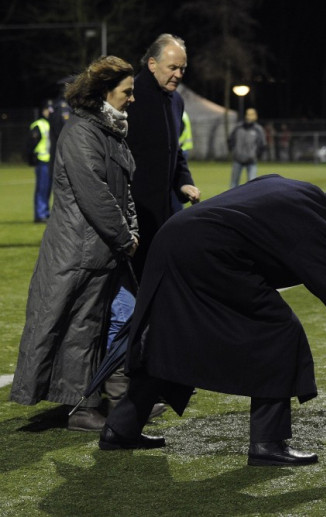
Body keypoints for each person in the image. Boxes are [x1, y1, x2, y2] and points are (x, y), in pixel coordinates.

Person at [97, 175, 326, 464]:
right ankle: (267, 443)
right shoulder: (318, 226)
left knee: (171, 337)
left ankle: (121, 428)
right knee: (280, 331)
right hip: (204, 254)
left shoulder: (304, 193)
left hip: (176, 240)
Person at [11, 55, 138, 432]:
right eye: (127, 92)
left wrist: (131, 231)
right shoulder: (83, 132)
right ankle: (81, 408)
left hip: (100, 248)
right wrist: (125, 236)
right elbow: (96, 195)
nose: (132, 99)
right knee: (78, 329)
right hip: (79, 249)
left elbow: (124, 190)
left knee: (103, 324)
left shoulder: (108, 131)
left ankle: (112, 398)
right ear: (104, 92)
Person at [126, 33, 200, 282]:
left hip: (166, 208)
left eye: (182, 68)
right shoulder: (129, 98)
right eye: (173, 67)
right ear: (152, 64)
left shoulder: (176, 101)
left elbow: (175, 150)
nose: (179, 74)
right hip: (134, 210)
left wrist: (183, 181)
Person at [27, 100, 53, 223]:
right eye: (48, 109)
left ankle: (46, 212)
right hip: (42, 160)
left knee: (47, 189)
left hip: (50, 161)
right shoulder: (38, 124)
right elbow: (31, 144)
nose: (50, 112)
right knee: (42, 189)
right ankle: (40, 214)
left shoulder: (50, 123)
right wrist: (32, 158)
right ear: (43, 111)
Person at [228, 107, 266, 188]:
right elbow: (230, 140)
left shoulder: (258, 129)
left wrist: (256, 155)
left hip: (251, 160)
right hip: (238, 159)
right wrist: (234, 151)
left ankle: (252, 199)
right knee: (234, 184)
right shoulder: (238, 127)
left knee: (252, 183)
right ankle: (232, 199)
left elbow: (262, 144)